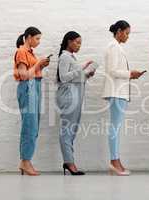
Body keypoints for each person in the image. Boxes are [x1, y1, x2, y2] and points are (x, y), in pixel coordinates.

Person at [102, 20, 143, 176]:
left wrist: (130, 75)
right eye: (126, 33)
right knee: (115, 127)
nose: (127, 37)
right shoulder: (113, 47)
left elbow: (117, 71)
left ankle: (116, 160)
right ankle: (114, 161)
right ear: (119, 31)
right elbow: (112, 71)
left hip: (119, 91)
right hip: (116, 92)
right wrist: (130, 74)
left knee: (116, 127)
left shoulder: (117, 47)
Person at [56, 31, 95, 176]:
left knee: (72, 129)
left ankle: (69, 160)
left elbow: (74, 78)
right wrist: (81, 68)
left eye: (81, 43)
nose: (79, 45)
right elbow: (63, 77)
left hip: (76, 97)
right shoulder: (65, 57)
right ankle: (69, 162)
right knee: (67, 129)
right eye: (77, 42)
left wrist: (86, 75)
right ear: (69, 41)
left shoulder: (71, 57)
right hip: (69, 98)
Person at [14, 27, 50, 176]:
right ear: (28, 37)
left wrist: (41, 65)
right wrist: (38, 64)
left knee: (34, 126)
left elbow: (32, 71)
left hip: (35, 86)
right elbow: (24, 75)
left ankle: (26, 160)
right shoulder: (21, 52)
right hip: (28, 86)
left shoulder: (30, 53)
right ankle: (25, 161)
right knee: (29, 126)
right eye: (37, 38)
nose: (39, 42)